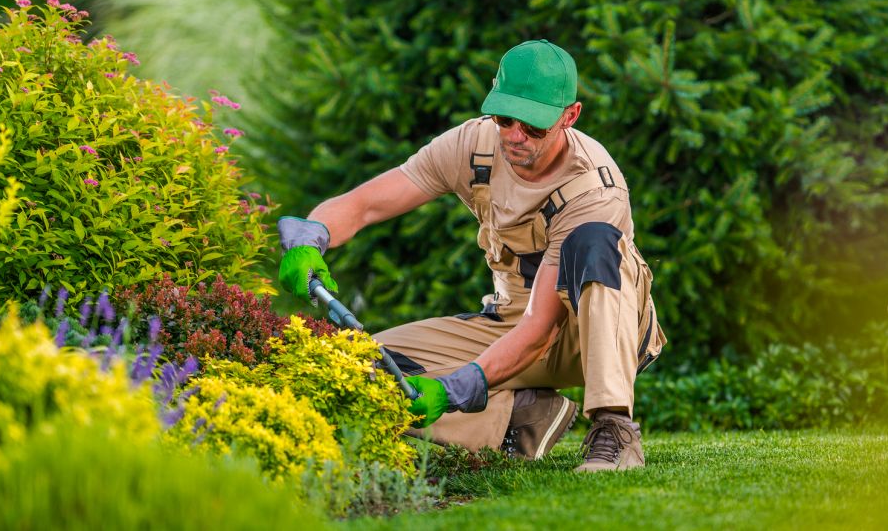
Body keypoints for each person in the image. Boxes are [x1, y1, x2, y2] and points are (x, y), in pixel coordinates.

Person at [277, 39, 665, 472]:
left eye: (534, 126)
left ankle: (614, 429)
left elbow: (541, 328)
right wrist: (312, 237)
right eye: (505, 118)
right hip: (509, 322)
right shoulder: (473, 145)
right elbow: (367, 203)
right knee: (362, 369)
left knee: (593, 242)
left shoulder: (594, 188)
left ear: (569, 116)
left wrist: (456, 388)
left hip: (589, 332)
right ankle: (520, 416)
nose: (515, 136)